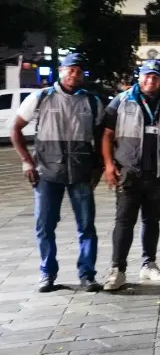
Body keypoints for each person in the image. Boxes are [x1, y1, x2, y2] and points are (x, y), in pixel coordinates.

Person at [10, 53, 104, 293]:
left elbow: (102, 137)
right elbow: (16, 128)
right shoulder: (40, 97)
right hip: (46, 173)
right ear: (61, 70)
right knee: (44, 225)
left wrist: (99, 166)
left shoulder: (92, 102)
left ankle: (87, 274)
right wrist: (26, 162)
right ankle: (47, 274)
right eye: (70, 69)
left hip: (80, 173)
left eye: (78, 70)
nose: (74, 73)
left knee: (87, 226)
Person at [101, 59, 160, 291]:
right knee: (124, 221)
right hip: (129, 173)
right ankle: (117, 269)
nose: (151, 80)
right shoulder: (121, 101)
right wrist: (109, 165)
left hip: (158, 175)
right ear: (139, 77)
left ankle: (149, 263)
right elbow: (107, 135)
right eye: (147, 75)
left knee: (152, 221)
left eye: (156, 76)